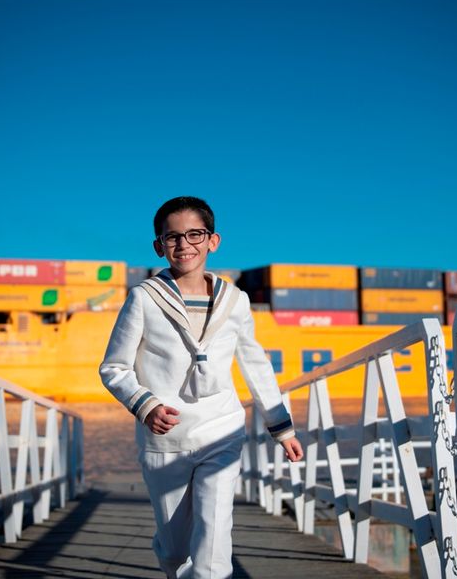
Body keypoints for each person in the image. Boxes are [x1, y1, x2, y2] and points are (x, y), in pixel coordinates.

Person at [99, 196, 304, 579]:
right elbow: (114, 367)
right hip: (167, 436)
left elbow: (255, 365)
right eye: (173, 237)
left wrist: (281, 427)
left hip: (221, 429)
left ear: (213, 240)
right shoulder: (143, 298)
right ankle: (172, 563)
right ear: (159, 246)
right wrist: (144, 405)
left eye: (195, 234)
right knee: (175, 546)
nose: (184, 245)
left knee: (214, 536)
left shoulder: (237, 301)